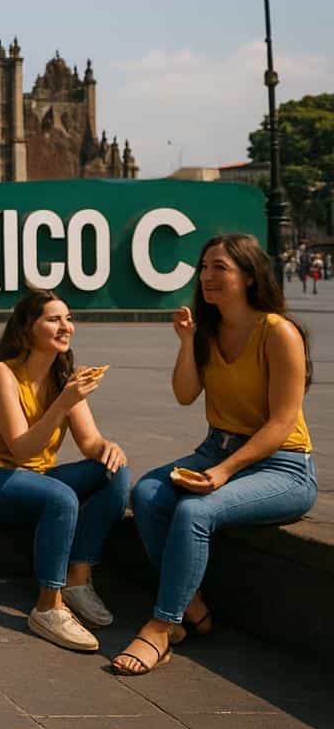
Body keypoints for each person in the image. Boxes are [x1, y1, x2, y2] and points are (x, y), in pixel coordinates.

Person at [115, 233, 318, 675]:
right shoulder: (208, 330)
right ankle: (192, 605)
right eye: (204, 267)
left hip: (284, 464)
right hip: (216, 446)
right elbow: (186, 394)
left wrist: (225, 471)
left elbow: (282, 422)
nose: (207, 276)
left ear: (249, 275)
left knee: (194, 511)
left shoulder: (278, 333)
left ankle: (163, 626)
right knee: (147, 494)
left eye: (220, 267)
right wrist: (186, 341)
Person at [0, 290, 129, 653]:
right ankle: (48, 607)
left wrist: (107, 449)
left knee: (114, 473)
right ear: (27, 328)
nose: (65, 325)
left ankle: (77, 580)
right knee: (61, 497)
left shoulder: (64, 377)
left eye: (68, 318)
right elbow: (22, 448)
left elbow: (90, 442)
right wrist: (62, 404)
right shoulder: (2, 374)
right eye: (53, 319)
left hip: (34, 480)